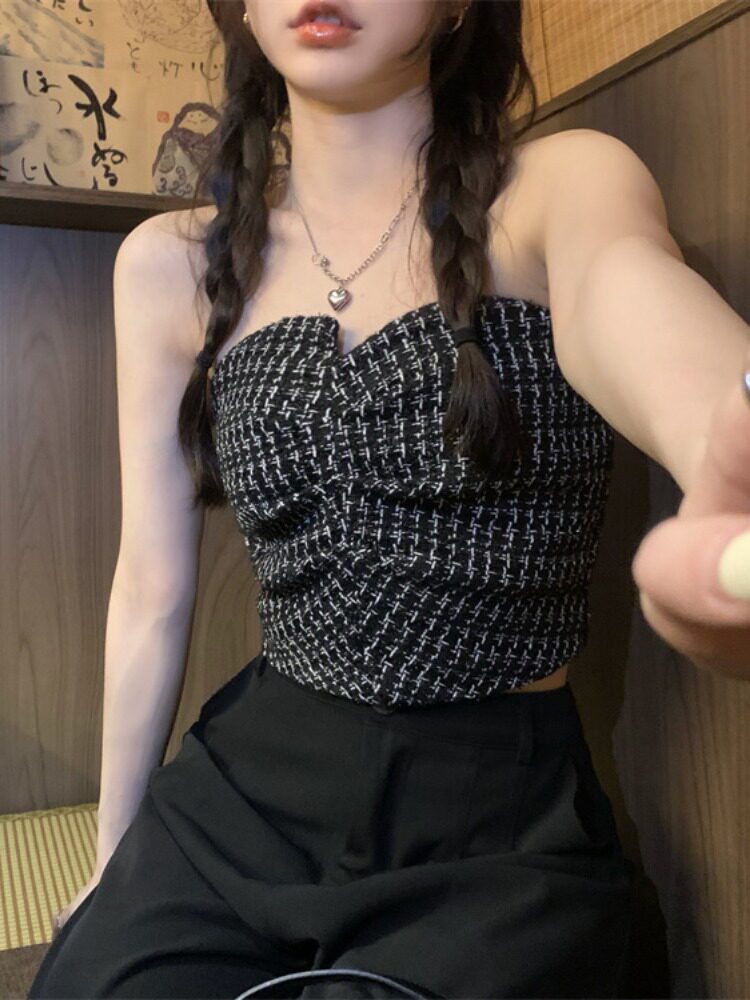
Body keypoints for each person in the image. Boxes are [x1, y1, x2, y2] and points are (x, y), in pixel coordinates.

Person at [28, 0, 750, 997]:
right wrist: (114, 854)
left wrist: (726, 438)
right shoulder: (168, 264)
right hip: (247, 793)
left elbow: (630, 296)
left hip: (498, 827)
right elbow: (150, 585)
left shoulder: (561, 185)